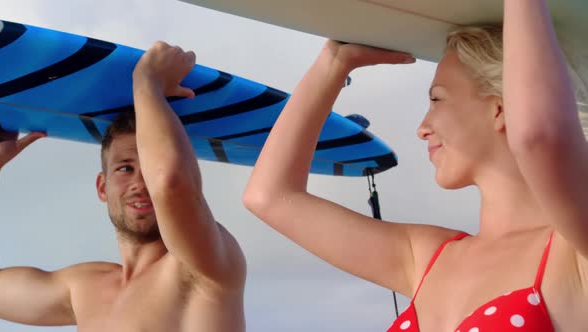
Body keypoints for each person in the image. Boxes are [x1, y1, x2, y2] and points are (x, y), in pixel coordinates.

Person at [243, 0, 588, 331]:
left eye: (437, 98)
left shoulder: (572, 253)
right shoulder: (426, 258)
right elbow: (269, 196)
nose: (422, 128)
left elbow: (539, 136)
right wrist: (333, 62)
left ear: (500, 109)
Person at [0, 42, 246, 331]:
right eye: (125, 168)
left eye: (149, 169)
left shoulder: (203, 266)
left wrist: (147, 84)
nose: (141, 183)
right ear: (102, 187)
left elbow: (171, 183)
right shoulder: (85, 289)